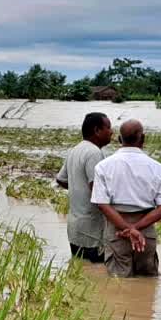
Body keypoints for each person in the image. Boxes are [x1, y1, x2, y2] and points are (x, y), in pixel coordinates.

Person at [90, 119, 161, 277]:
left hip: (117, 231)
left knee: (119, 285)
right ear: (142, 138)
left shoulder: (103, 167)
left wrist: (128, 230)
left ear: (120, 140)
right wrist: (136, 229)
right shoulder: (157, 168)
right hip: (145, 232)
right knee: (147, 283)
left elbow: (102, 205)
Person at [55, 112, 113, 263]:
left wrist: (78, 188)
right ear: (97, 130)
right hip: (92, 232)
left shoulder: (75, 150)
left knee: (80, 274)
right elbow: (97, 191)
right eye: (108, 127)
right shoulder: (94, 153)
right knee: (97, 277)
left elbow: (60, 179)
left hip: (75, 229)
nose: (112, 132)